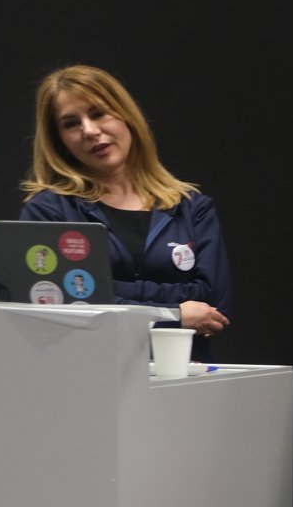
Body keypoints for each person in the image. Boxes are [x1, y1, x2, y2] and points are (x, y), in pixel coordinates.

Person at [20, 66, 231, 349]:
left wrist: (108, 291)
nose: (89, 131)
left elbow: (213, 302)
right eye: (71, 124)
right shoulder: (48, 212)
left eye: (98, 113)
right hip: (89, 368)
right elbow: (64, 306)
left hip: (184, 369)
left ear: (126, 116)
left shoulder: (192, 207)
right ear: (60, 141)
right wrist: (175, 315)